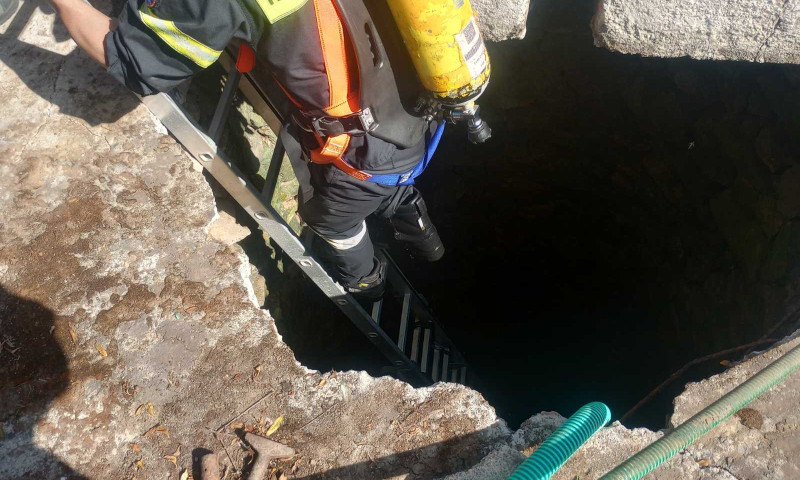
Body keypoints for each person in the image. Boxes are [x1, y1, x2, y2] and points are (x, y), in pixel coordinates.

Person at [46, 0, 444, 298]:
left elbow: (133, 59)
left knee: (332, 223)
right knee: (387, 179)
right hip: (419, 111)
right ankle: (418, 228)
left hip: (363, 157)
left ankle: (367, 282)